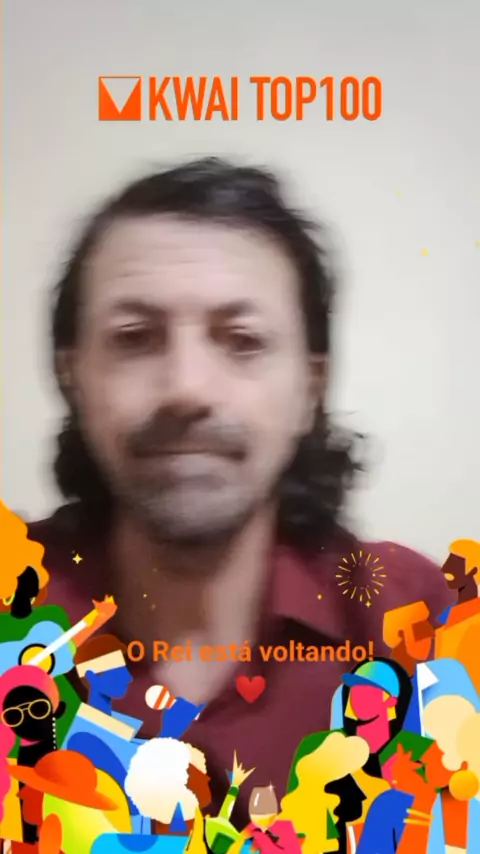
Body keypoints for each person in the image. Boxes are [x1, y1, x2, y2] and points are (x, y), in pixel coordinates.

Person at [27, 156, 454, 827]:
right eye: (134, 338)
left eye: (243, 340)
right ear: (73, 376)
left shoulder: (419, 624)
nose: (187, 387)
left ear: (310, 388)